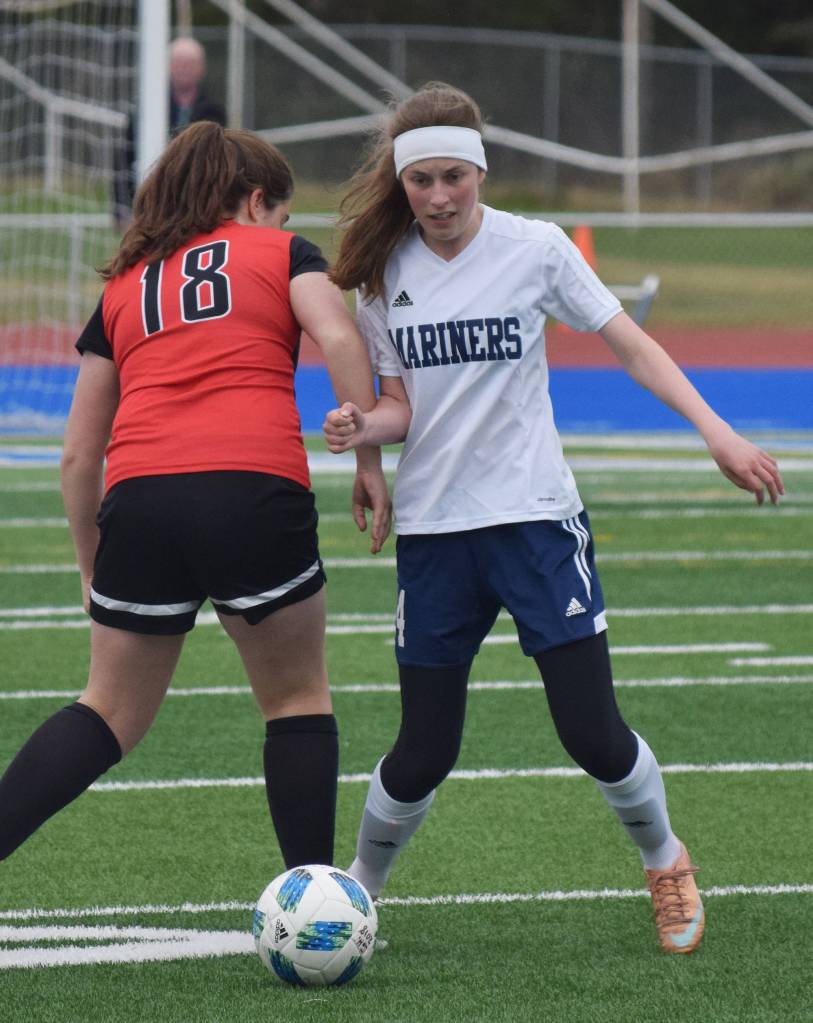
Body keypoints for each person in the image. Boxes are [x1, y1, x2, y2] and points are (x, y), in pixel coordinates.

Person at [323, 82, 784, 955]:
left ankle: (665, 859)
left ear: (481, 171)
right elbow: (398, 407)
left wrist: (716, 432)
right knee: (422, 750)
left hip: (535, 523)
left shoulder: (534, 248)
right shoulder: (383, 273)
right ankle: (354, 898)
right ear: (400, 181)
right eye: (420, 181)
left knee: (590, 732)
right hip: (435, 535)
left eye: (453, 177)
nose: (438, 198)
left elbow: (630, 344)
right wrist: (362, 436)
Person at [0, 121, 389, 872]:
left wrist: (90, 563)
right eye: (280, 213)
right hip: (253, 485)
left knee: (106, 709)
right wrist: (367, 453)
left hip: (141, 498)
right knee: (296, 698)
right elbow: (340, 339)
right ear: (255, 200)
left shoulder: (124, 283)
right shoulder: (281, 253)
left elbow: (79, 453)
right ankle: (314, 905)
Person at [113, 36, 227, 227]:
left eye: (190, 63)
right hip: (151, 207)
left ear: (202, 68)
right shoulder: (145, 110)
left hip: (197, 208)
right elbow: (123, 158)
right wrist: (121, 209)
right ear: (167, 66)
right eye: (179, 63)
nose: (184, 68)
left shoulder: (214, 112)